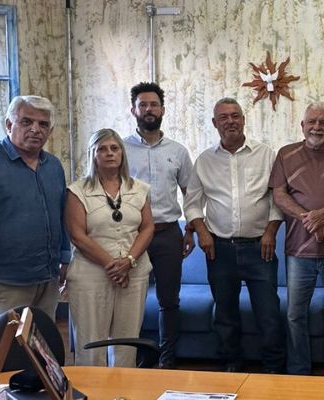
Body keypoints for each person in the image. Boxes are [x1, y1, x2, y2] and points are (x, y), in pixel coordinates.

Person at [184, 98, 285, 374]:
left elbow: (277, 199)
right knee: (225, 315)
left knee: (269, 313)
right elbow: (192, 203)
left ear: (243, 119)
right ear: (215, 123)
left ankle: (275, 368)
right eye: (224, 117)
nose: (230, 121)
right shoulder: (205, 161)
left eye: (235, 116)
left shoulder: (266, 155)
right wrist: (202, 232)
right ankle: (231, 365)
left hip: (259, 248)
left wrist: (271, 231)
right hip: (219, 249)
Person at [0, 95, 70, 327]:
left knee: (41, 346)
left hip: (47, 279)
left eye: (43, 124)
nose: (35, 129)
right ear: (9, 125)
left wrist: (65, 257)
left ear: (50, 130)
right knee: (2, 348)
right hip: (1, 283)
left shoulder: (53, 166)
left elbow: (61, 215)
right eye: (26, 122)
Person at [269, 101, 324, 377]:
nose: (317, 127)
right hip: (298, 251)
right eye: (312, 122)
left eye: (323, 122)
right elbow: (279, 194)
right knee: (295, 315)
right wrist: (311, 219)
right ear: (302, 125)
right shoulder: (286, 154)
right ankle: (298, 371)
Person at [65, 128, 154, 367]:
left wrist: (128, 262)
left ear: (122, 153)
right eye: (102, 149)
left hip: (133, 273)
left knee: (127, 343)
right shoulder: (77, 190)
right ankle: (91, 386)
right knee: (90, 343)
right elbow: (77, 235)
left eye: (114, 148)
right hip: (90, 275)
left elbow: (147, 228)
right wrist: (112, 265)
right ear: (93, 155)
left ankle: (123, 386)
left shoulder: (139, 189)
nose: (109, 153)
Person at [123, 82, 194, 369]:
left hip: (168, 234)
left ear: (162, 110)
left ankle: (167, 359)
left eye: (154, 104)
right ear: (134, 110)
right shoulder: (121, 149)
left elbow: (191, 193)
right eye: (143, 105)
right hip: (132, 235)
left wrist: (190, 229)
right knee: (131, 299)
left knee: (169, 300)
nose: (148, 109)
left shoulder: (178, 151)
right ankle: (137, 356)